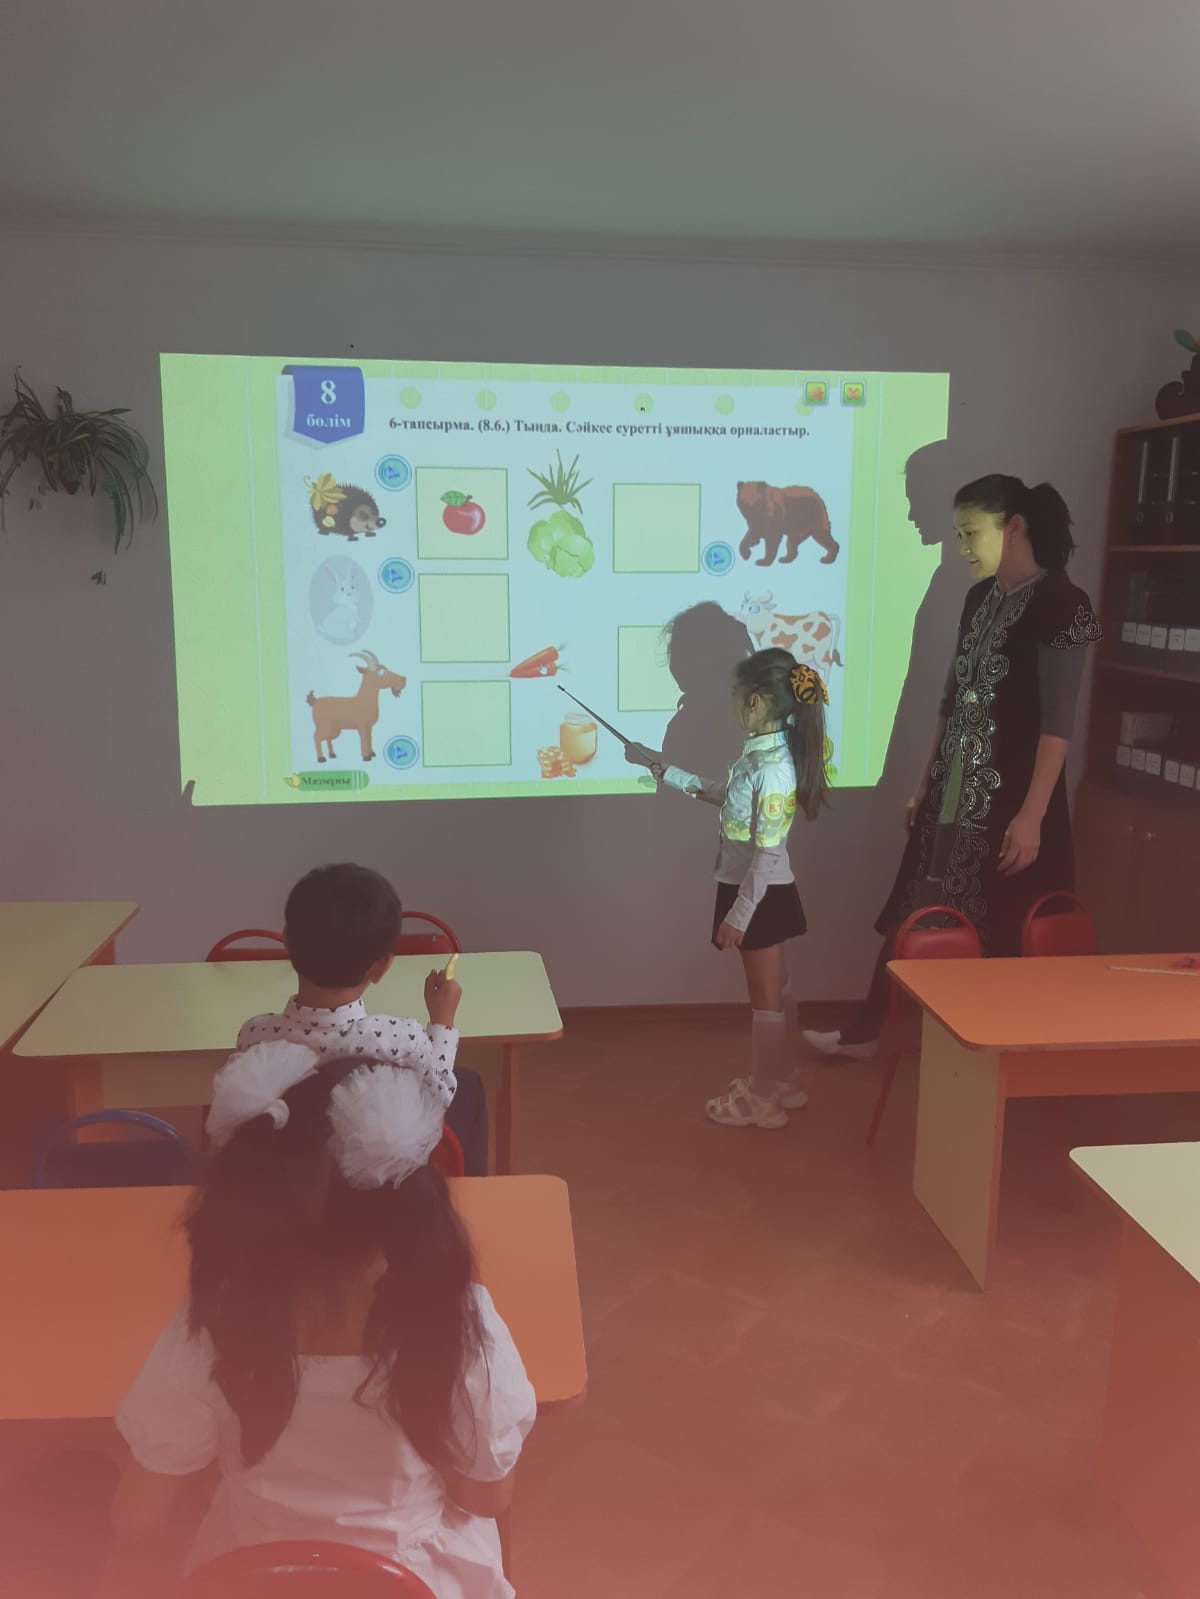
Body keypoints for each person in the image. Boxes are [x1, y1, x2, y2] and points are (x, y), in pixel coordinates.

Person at [103, 1047, 535, 1597]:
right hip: (414, 1583)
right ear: (413, 1203)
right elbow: (487, 1497)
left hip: (252, 1580)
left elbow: (137, 1516)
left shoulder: (216, 1320)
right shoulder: (455, 1314)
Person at [805, 474, 1100, 1059]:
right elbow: (952, 697)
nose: (961, 547)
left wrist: (1032, 816)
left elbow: (1058, 725)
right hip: (952, 790)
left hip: (1014, 802)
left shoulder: (1067, 605)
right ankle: (869, 1032)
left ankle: (999, 1055)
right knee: (919, 907)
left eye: (971, 533)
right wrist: (924, 783)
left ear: (1013, 527)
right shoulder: (979, 598)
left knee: (1005, 923)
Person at [628, 648, 830, 1128]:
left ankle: (763, 1099)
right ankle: (782, 1080)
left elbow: (768, 853)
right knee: (778, 990)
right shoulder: (758, 757)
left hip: (757, 895)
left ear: (754, 702)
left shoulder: (773, 768)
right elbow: (729, 798)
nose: (733, 706)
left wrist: (739, 915)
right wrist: (669, 773)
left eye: (737, 697)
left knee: (766, 1000)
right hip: (756, 891)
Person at [236, 863, 489, 1173]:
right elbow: (437, 1098)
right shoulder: (401, 1038)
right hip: (376, 1189)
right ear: (381, 967)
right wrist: (442, 1020)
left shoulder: (254, 1036)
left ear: (286, 942)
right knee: (469, 1085)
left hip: (291, 1183)